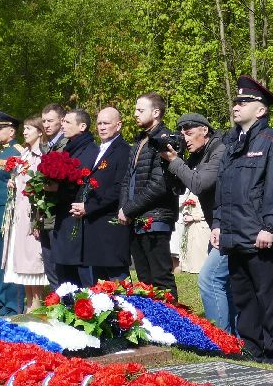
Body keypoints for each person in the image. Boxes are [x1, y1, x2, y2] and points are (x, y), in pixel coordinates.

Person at [211, 76, 273, 363]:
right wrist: (218, 224)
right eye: (235, 101)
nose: (236, 106)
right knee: (244, 297)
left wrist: (270, 226)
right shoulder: (232, 143)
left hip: (261, 235)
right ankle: (252, 348)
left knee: (269, 298)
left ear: (260, 110)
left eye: (244, 102)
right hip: (235, 234)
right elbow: (223, 189)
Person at [165, 113, 231, 326]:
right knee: (225, 284)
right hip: (219, 226)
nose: (185, 138)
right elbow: (180, 186)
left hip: (229, 227)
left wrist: (175, 161)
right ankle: (232, 337)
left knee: (209, 279)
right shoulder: (200, 153)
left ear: (205, 130)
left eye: (190, 133)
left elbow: (200, 184)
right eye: (182, 134)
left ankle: (222, 338)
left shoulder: (218, 150)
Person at [59, 106, 132, 286]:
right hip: (94, 226)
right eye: (99, 123)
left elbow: (119, 188)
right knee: (99, 284)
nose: (102, 127)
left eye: (106, 123)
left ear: (119, 125)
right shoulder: (100, 149)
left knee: (117, 283)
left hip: (110, 226)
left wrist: (88, 207)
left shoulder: (123, 150)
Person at [119, 93, 179, 296]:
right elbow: (128, 178)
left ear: (156, 112)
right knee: (144, 280)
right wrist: (124, 208)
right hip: (136, 218)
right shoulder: (140, 140)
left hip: (156, 218)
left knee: (161, 278)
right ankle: (152, 324)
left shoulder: (165, 140)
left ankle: (174, 324)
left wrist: (128, 208)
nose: (135, 114)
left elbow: (159, 185)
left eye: (140, 110)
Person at [3, 117, 49, 308]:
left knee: (32, 261)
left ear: (40, 131)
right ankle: (29, 303)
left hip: (33, 214)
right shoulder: (25, 155)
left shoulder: (42, 155)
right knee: (22, 262)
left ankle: (36, 305)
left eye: (29, 128)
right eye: (24, 129)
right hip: (19, 214)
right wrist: (12, 181)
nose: (25, 132)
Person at [0, 112, 26, 312]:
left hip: (8, 215)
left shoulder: (18, 152)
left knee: (8, 261)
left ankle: (13, 305)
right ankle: (2, 302)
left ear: (11, 130)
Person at [38, 103, 68, 283]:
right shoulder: (48, 146)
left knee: (60, 266)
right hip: (46, 212)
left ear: (61, 121)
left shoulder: (65, 145)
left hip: (59, 211)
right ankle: (54, 302)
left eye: (50, 121)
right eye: (44, 121)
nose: (46, 125)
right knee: (50, 265)